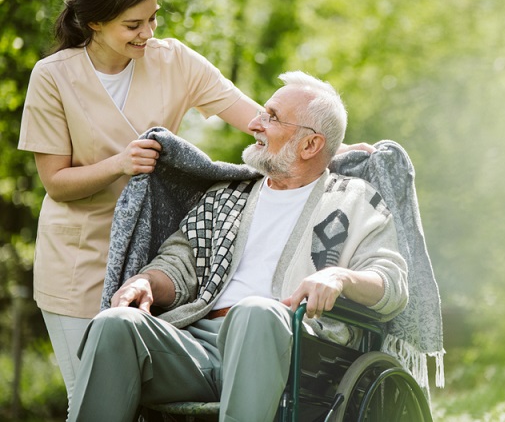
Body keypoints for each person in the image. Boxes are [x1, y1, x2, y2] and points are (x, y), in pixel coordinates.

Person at [67, 71, 409, 421]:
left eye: (272, 117)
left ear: (310, 145)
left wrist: (340, 278)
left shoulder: (355, 201)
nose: (255, 124)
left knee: (256, 311)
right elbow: (179, 263)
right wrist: (147, 281)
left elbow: (393, 283)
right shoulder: (227, 197)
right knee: (116, 324)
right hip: (199, 346)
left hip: (296, 349)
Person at [16, 0, 260, 403]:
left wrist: (327, 141)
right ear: (95, 23)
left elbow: (258, 120)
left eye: (153, 20)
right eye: (133, 25)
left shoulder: (175, 61)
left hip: (150, 263)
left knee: (142, 404)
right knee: (90, 401)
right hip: (78, 260)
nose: (148, 34)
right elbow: (56, 182)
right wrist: (119, 164)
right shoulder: (52, 77)